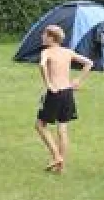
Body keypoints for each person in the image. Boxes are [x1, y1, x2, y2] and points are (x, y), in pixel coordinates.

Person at [35, 24, 93, 174]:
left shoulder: (46, 52)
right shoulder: (67, 52)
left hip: (55, 93)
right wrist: (78, 80)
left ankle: (56, 157)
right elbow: (89, 63)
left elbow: (41, 65)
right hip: (67, 92)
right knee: (62, 128)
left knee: (40, 125)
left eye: (44, 34)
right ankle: (61, 167)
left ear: (51, 38)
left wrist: (48, 84)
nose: (42, 37)